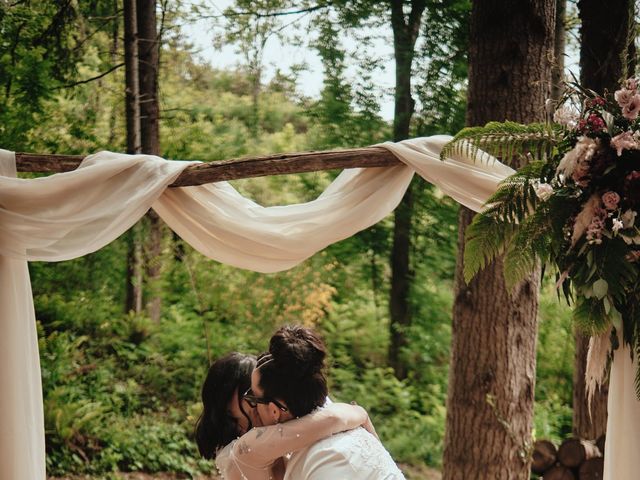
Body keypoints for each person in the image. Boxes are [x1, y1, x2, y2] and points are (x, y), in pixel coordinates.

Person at [250, 325, 406, 479]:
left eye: (254, 398)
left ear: (275, 410)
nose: (253, 408)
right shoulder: (342, 424)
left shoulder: (325, 457)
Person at [195, 351, 374, 480]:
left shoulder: (248, 442)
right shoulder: (247, 446)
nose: (260, 407)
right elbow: (332, 419)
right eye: (251, 401)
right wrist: (359, 413)